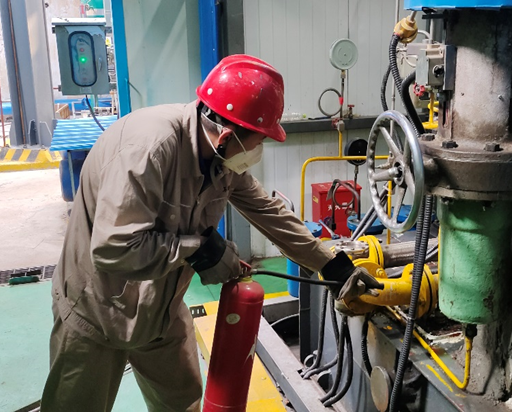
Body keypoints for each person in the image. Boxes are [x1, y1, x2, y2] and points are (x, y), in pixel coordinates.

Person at [41, 55, 380, 411]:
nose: (258, 151)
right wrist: (201, 251)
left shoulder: (222, 159)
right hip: (97, 311)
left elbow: (268, 211)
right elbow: (114, 249)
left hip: (161, 312)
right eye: (258, 142)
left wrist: (331, 265)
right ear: (227, 134)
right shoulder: (147, 151)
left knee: (183, 404)